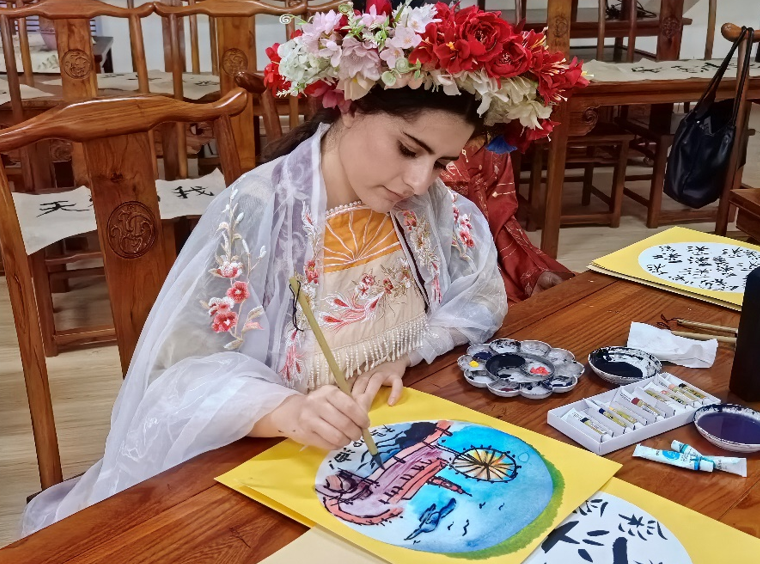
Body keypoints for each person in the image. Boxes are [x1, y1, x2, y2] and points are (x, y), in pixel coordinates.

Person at [20, 0, 585, 535]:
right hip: (270, 463)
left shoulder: (433, 206)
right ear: (353, 103)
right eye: (408, 149)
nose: (419, 181)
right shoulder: (258, 209)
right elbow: (177, 384)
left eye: (441, 162)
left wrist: (409, 349)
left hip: (389, 431)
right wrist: (282, 410)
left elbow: (479, 297)